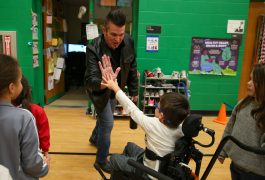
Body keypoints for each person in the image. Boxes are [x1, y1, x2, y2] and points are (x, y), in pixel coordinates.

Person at [99, 56, 190, 178]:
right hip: (158, 164)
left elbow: (132, 109)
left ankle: (125, 173)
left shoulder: (154, 125)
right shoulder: (182, 127)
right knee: (129, 146)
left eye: (158, 105)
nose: (156, 105)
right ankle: (126, 174)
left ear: (162, 115)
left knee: (114, 159)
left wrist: (115, 87)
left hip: (149, 173)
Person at [84, 8, 138, 173]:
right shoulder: (93, 47)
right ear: (104, 30)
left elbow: (132, 66)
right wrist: (105, 81)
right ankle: (101, 161)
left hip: (116, 89)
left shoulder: (128, 41)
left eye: (121, 34)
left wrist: (134, 91)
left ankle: (94, 137)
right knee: (108, 122)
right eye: (113, 34)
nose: (118, 39)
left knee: (104, 117)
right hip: (98, 91)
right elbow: (89, 80)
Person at [0, 54, 49, 179]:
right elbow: (32, 164)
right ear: (12, 88)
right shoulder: (24, 118)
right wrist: (44, 165)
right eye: (20, 79)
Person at [218, 63, 265, 179]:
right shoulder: (243, 104)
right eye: (250, 79)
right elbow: (229, 128)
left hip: (256, 172)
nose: (248, 83)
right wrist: (222, 150)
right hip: (236, 165)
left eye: (254, 81)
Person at [12, 75, 51, 161]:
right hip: (32, 157)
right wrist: (45, 152)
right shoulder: (38, 110)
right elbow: (44, 134)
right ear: (29, 90)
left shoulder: (5, 111)